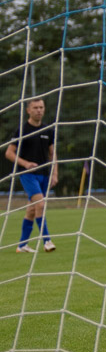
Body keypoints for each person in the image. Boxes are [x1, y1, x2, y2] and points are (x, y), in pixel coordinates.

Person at [5, 98, 58, 253]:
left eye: (41, 107)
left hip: (44, 174)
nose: (39, 110)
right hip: (28, 175)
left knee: (32, 210)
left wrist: (54, 173)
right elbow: (9, 153)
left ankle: (22, 245)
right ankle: (47, 241)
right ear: (28, 110)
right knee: (40, 205)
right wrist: (25, 163)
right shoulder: (22, 130)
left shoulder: (48, 130)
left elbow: (52, 154)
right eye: (35, 107)